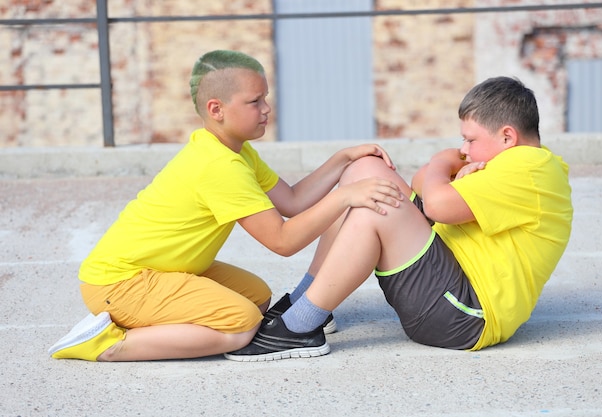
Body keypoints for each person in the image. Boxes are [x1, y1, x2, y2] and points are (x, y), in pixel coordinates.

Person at [47, 50, 404, 362]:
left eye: (266, 98)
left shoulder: (232, 149)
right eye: (254, 102)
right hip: (120, 281)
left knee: (258, 298)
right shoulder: (218, 166)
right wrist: (345, 197)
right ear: (216, 109)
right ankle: (108, 343)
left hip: (157, 270)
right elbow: (282, 241)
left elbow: (292, 201)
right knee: (240, 325)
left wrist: (343, 160)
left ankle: (150, 315)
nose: (266, 109)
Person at [225, 76, 574, 361]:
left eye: (469, 139)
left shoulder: (529, 167)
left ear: (507, 136)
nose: (464, 149)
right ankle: (309, 299)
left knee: (371, 207)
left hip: (465, 316)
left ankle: (300, 328)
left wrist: (444, 161)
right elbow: (423, 185)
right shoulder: (512, 163)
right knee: (364, 171)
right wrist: (448, 173)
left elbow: (435, 203)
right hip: (447, 286)